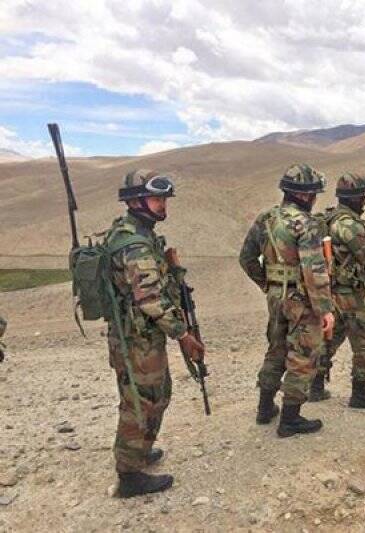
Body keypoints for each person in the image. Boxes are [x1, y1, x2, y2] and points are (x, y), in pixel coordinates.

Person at [107, 169, 206, 497]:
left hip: (141, 336)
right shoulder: (135, 244)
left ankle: (139, 452)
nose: (162, 205)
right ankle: (129, 476)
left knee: (156, 395)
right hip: (137, 340)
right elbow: (149, 299)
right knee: (141, 401)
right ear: (135, 201)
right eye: (155, 199)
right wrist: (183, 335)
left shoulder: (137, 233)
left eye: (163, 199)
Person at [239, 164, 335, 437]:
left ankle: (265, 408)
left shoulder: (266, 219)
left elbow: (246, 258)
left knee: (276, 349)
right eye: (313, 193)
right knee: (303, 355)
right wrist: (325, 310)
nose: (314, 198)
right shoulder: (307, 224)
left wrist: (268, 284)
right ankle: (290, 419)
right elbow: (314, 270)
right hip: (301, 298)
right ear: (304, 195)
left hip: (275, 296)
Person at [312, 172, 365, 409]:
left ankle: (315, 386)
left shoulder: (327, 220)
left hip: (331, 294)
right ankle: (360, 393)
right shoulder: (349, 225)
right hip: (352, 295)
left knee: (329, 340)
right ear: (355, 198)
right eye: (363, 197)